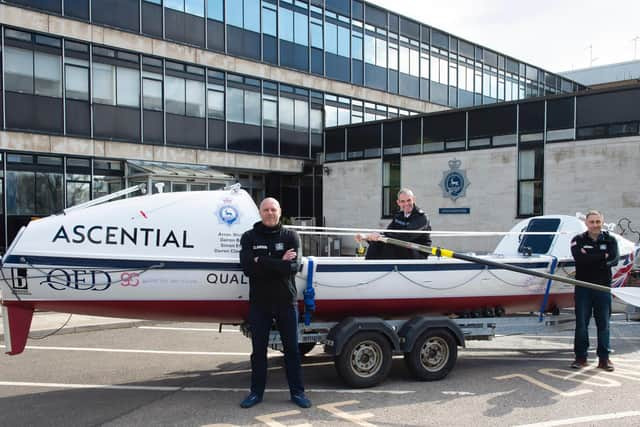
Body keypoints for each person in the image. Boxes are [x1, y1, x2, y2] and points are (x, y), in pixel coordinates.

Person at [238, 197, 311, 409]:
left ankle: (298, 393)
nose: (270, 213)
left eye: (273, 209)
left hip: (286, 302)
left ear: (280, 212)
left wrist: (262, 261)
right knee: (258, 351)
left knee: (292, 350)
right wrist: (280, 262)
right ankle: (255, 393)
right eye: (266, 210)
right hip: (259, 303)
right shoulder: (249, 237)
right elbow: (248, 269)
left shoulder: (291, 236)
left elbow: (294, 267)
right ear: (260, 212)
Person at [570, 210, 619, 371]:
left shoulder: (611, 240)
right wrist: (601, 256)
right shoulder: (577, 240)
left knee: (603, 324)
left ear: (602, 222)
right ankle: (581, 358)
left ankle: (604, 359)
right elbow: (580, 259)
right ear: (586, 223)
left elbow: (614, 259)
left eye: (598, 222)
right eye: (592, 222)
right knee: (581, 324)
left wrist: (591, 255)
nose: (595, 225)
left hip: (602, 287)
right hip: (583, 287)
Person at [356, 188, 432, 259]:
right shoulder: (399, 216)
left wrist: (380, 236)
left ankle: (382, 269)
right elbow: (389, 232)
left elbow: (406, 236)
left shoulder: (421, 217)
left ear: (414, 200)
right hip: (403, 248)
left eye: (409, 200)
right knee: (376, 244)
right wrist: (367, 237)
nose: (406, 204)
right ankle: (370, 268)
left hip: (418, 252)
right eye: (403, 201)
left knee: (389, 246)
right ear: (398, 202)